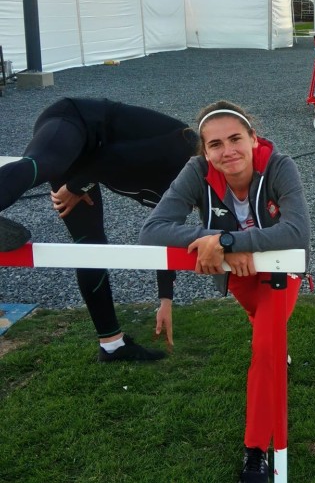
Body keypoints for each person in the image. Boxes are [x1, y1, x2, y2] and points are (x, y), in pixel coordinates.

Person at [139, 100, 311, 483]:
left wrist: (232, 239)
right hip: (238, 273)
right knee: (263, 327)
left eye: (235, 138)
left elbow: (297, 233)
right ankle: (275, 345)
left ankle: (255, 452)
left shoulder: (280, 166)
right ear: (204, 151)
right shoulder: (196, 171)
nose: (227, 150)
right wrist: (214, 240)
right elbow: (153, 229)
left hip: (280, 270)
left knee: (265, 348)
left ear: (253, 138)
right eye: (215, 144)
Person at [0, 98, 198, 361]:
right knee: (48, 162)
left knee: (90, 247)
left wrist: (165, 300)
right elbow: (113, 156)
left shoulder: (183, 195)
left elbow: (165, 235)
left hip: (89, 165)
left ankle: (112, 346)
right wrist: (75, 187)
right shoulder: (183, 146)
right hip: (76, 121)